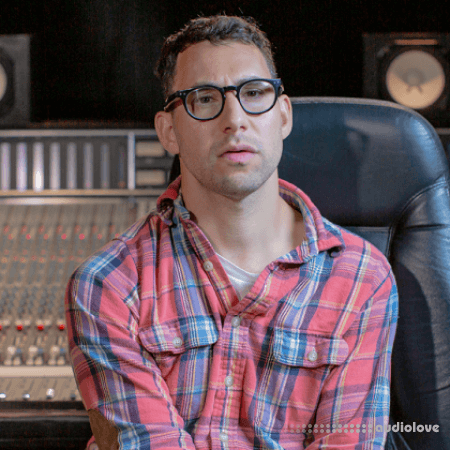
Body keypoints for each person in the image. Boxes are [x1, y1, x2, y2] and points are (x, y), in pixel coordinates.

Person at [66, 15, 398, 450]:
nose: (235, 119)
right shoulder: (108, 286)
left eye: (254, 93)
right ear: (168, 131)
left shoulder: (362, 279)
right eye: (205, 99)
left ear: (283, 116)